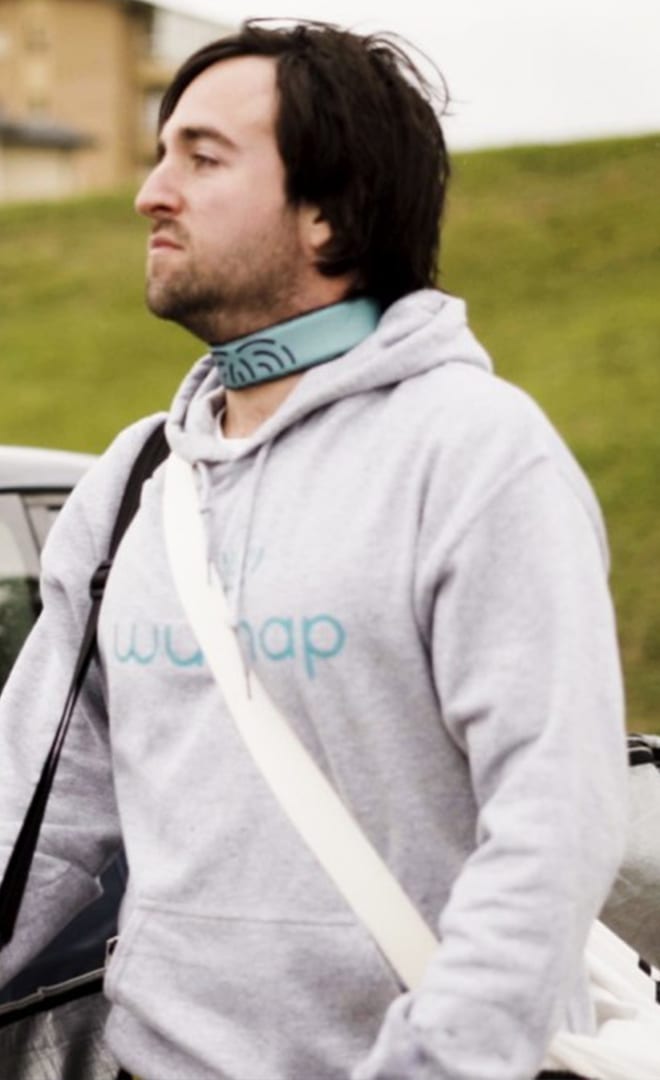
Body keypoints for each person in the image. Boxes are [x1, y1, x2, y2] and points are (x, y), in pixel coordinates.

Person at [0, 19, 627, 1080]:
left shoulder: (474, 456)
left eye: (202, 158)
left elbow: (556, 822)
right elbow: (38, 814)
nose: (151, 193)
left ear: (329, 213)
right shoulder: (137, 481)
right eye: (160, 155)